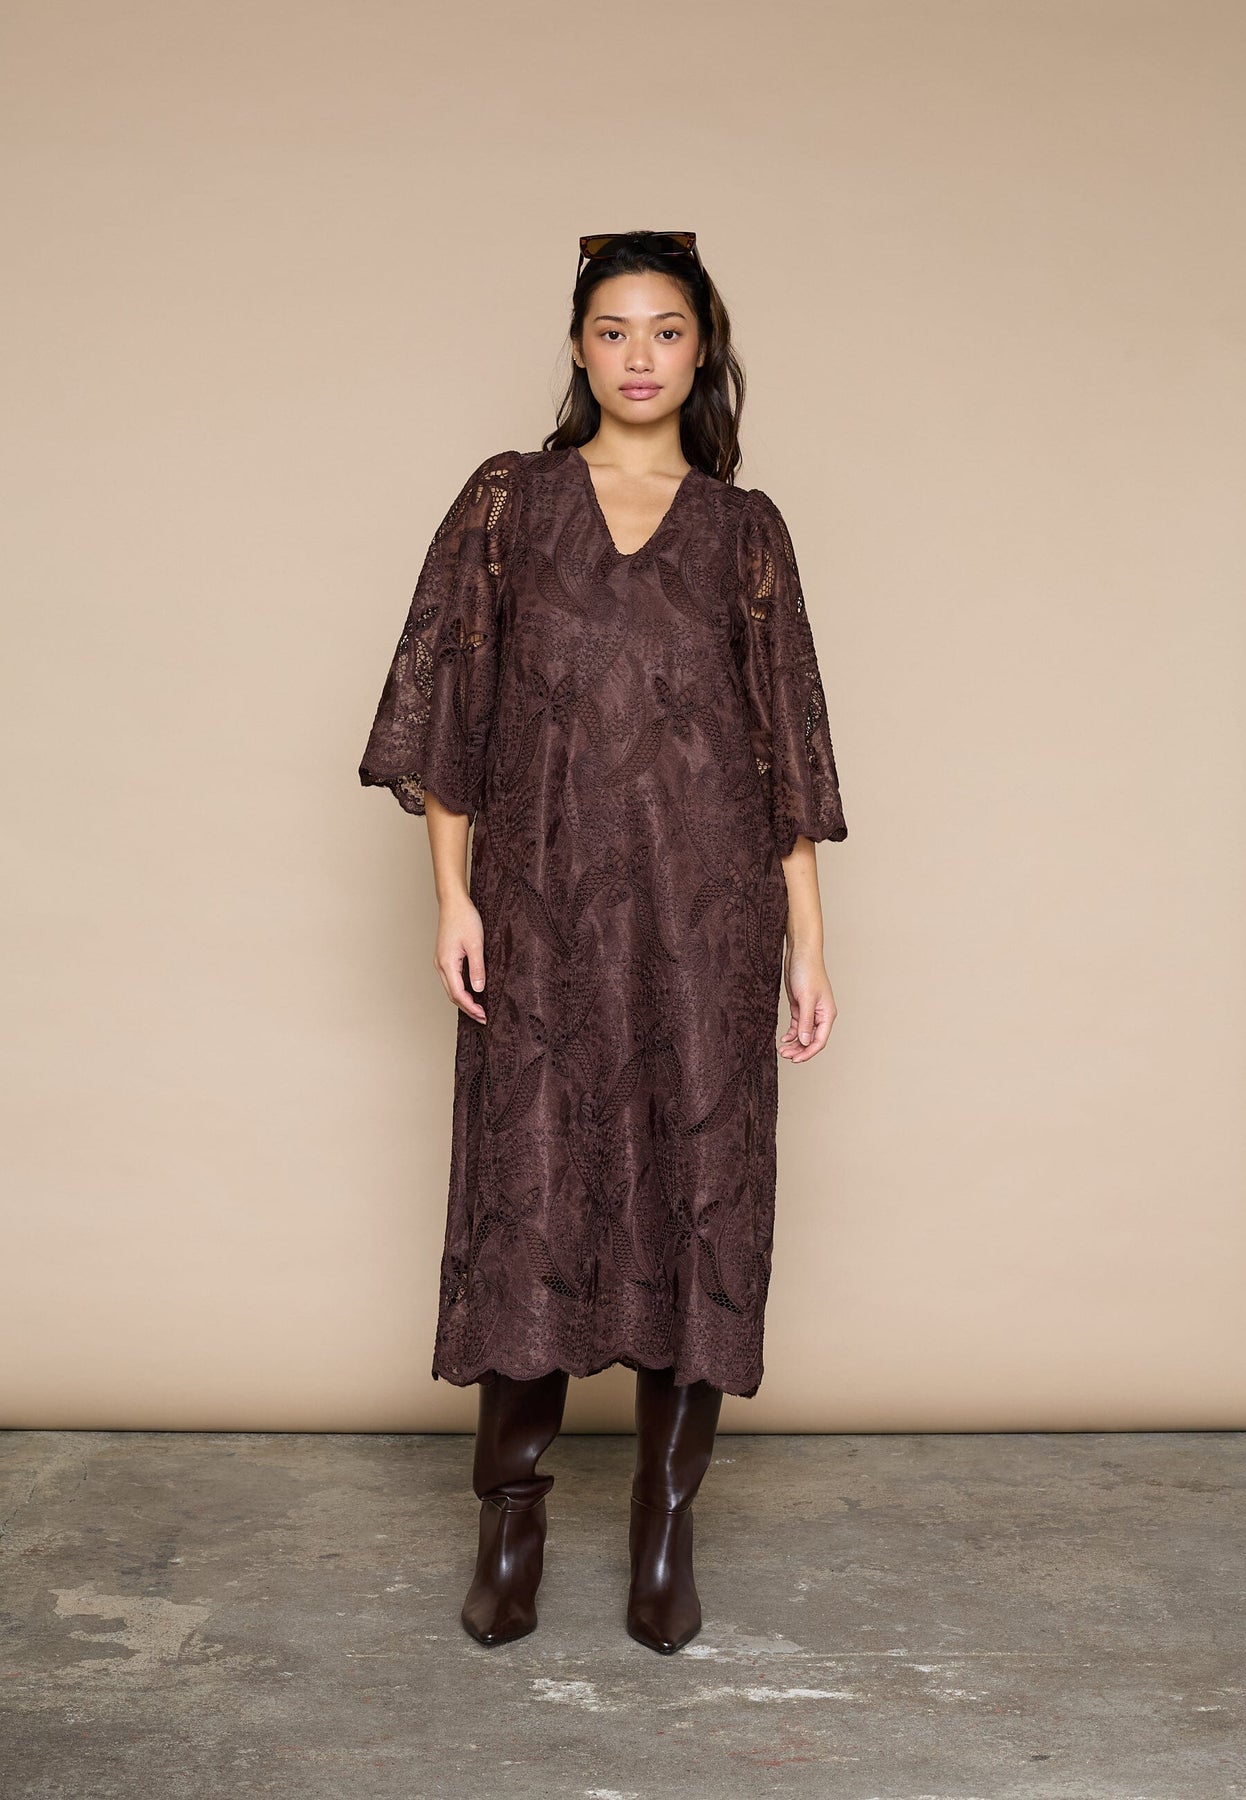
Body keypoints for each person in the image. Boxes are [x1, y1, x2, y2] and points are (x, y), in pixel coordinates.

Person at [358, 229, 848, 1655]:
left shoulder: (745, 532)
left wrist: (807, 945)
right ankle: (509, 1524)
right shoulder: (507, 505)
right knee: (530, 1195)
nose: (641, 356)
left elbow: (786, 755)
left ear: (703, 351)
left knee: (698, 1201)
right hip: (543, 915)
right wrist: (452, 898)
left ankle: (663, 1532)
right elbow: (449, 714)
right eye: (614, 330)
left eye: (667, 331)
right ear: (577, 347)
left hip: (707, 928)